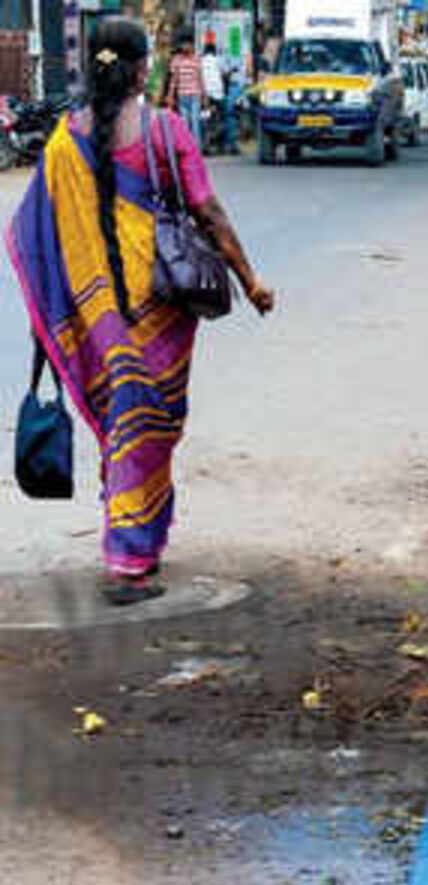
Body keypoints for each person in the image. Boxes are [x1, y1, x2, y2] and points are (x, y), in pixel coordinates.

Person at [7, 18, 275, 605]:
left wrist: (50, 309)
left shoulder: (60, 140)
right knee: (147, 427)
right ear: (138, 68)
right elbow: (210, 214)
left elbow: (35, 236)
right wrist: (250, 282)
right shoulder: (165, 129)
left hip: (96, 315)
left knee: (124, 426)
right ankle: (128, 557)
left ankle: (139, 538)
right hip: (161, 308)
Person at [168, 34, 205, 142]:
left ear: (192, 46)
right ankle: (187, 148)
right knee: (184, 124)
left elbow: (200, 78)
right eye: (183, 45)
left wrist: (204, 95)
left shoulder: (196, 59)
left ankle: (196, 149)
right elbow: (174, 80)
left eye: (187, 44)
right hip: (182, 95)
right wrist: (170, 95)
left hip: (195, 95)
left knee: (195, 122)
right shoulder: (176, 60)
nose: (185, 47)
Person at [200, 41, 224, 153]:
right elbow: (225, 71)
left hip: (205, 95)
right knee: (219, 119)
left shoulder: (201, 61)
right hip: (218, 95)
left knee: (204, 118)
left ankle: (205, 144)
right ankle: (220, 146)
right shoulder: (218, 60)